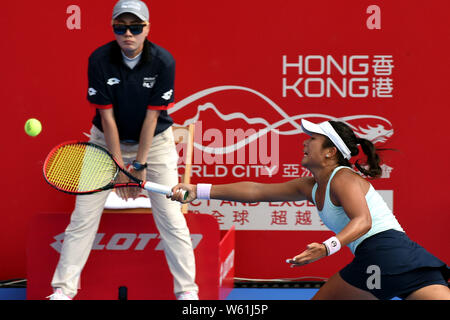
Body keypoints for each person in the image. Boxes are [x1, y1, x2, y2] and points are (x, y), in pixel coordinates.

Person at [170, 118, 450, 300]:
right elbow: (256, 191)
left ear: (330, 152)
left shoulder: (343, 178)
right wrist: (199, 190)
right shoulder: (311, 185)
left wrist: (328, 246)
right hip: (401, 256)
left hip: (383, 251)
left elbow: (363, 221)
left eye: (313, 139)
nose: (305, 142)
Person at [48, 0, 199, 300]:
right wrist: (117, 166)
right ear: (113, 29)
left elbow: (151, 117)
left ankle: (187, 294)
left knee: (171, 218)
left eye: (135, 27)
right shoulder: (100, 60)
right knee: (83, 217)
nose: (128, 34)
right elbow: (107, 117)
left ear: (147, 29)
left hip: (154, 143)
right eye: (121, 27)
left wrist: (138, 165)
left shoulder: (163, 62)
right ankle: (62, 292)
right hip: (105, 141)